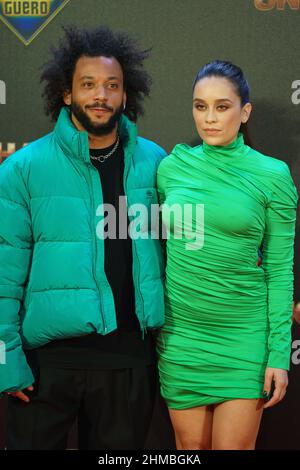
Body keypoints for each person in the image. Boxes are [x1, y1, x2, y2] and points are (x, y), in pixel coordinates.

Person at [0, 26, 166, 450]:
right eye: (88, 84)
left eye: (112, 85)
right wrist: (5, 363)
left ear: (126, 95)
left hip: (129, 363)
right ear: (67, 93)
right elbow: (4, 276)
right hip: (44, 368)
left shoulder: (156, 162)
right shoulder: (22, 168)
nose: (101, 96)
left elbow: (184, 248)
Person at [156, 60, 298, 450]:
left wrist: (278, 354)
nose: (210, 118)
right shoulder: (171, 168)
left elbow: (280, 269)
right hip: (182, 336)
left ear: (244, 111)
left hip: (243, 338)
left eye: (222, 106)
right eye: (200, 106)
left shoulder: (272, 175)